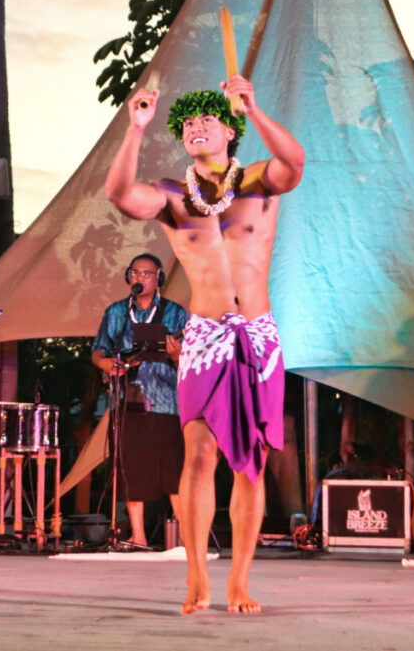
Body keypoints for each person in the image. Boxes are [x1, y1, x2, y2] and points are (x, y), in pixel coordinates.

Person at [105, 75, 304, 613]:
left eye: (207, 120)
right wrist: (136, 129)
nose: (195, 126)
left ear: (229, 130)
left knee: (252, 463)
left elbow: (297, 162)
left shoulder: (260, 182)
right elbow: (122, 194)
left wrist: (255, 109)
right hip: (204, 338)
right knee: (198, 455)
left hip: (257, 336)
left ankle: (240, 581)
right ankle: (196, 576)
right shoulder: (174, 197)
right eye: (188, 123)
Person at [91, 253, 188, 546]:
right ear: (128, 277)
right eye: (135, 272)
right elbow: (98, 351)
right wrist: (108, 365)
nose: (141, 278)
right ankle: (139, 535)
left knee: (172, 469)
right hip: (127, 402)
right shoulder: (117, 312)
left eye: (147, 273)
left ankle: (184, 537)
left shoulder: (176, 313)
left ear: (159, 277)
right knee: (131, 469)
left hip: (167, 402)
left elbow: (193, 358)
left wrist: (175, 354)